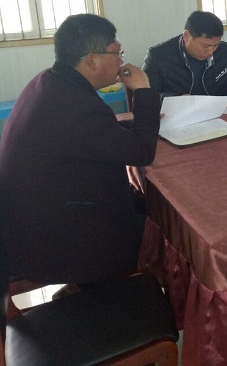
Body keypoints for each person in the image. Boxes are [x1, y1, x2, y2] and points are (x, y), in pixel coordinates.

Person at [0, 14, 160, 285]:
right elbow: (142, 152)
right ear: (92, 60)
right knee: (168, 232)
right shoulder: (75, 106)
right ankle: (139, 300)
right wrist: (143, 90)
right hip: (57, 245)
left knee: (145, 206)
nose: (121, 61)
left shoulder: (49, 83)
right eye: (117, 53)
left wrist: (140, 121)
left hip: (34, 226)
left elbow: (93, 134)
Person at [143, 11, 227, 106]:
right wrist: (176, 99)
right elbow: (144, 97)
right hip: (178, 120)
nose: (211, 52)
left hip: (218, 117)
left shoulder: (224, 51)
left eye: (215, 45)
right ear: (187, 36)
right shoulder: (158, 56)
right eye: (205, 46)